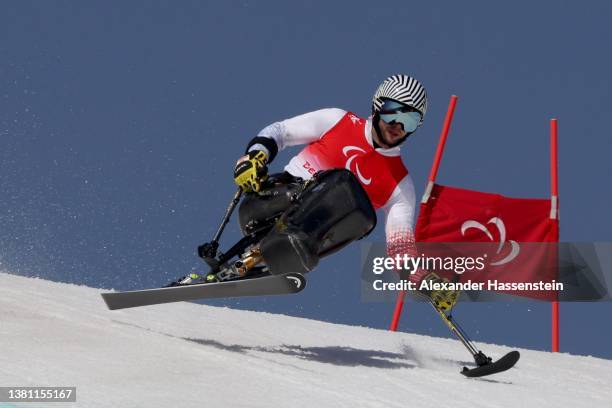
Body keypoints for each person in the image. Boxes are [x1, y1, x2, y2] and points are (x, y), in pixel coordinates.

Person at [205, 74, 456, 310]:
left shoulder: (401, 185)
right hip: (267, 205)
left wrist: (426, 281)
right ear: (378, 107)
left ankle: (269, 256)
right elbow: (279, 132)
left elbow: (400, 250)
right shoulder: (338, 121)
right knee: (344, 183)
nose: (398, 125)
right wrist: (254, 157)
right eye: (393, 113)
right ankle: (264, 249)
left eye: (410, 119)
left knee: (364, 214)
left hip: (305, 243)